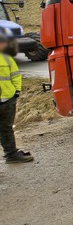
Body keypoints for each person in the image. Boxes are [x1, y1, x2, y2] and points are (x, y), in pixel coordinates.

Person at [0, 34, 32, 163]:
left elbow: (15, 75)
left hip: (7, 100)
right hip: (7, 99)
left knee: (6, 129)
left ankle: (11, 155)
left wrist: (16, 92)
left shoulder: (6, 58)